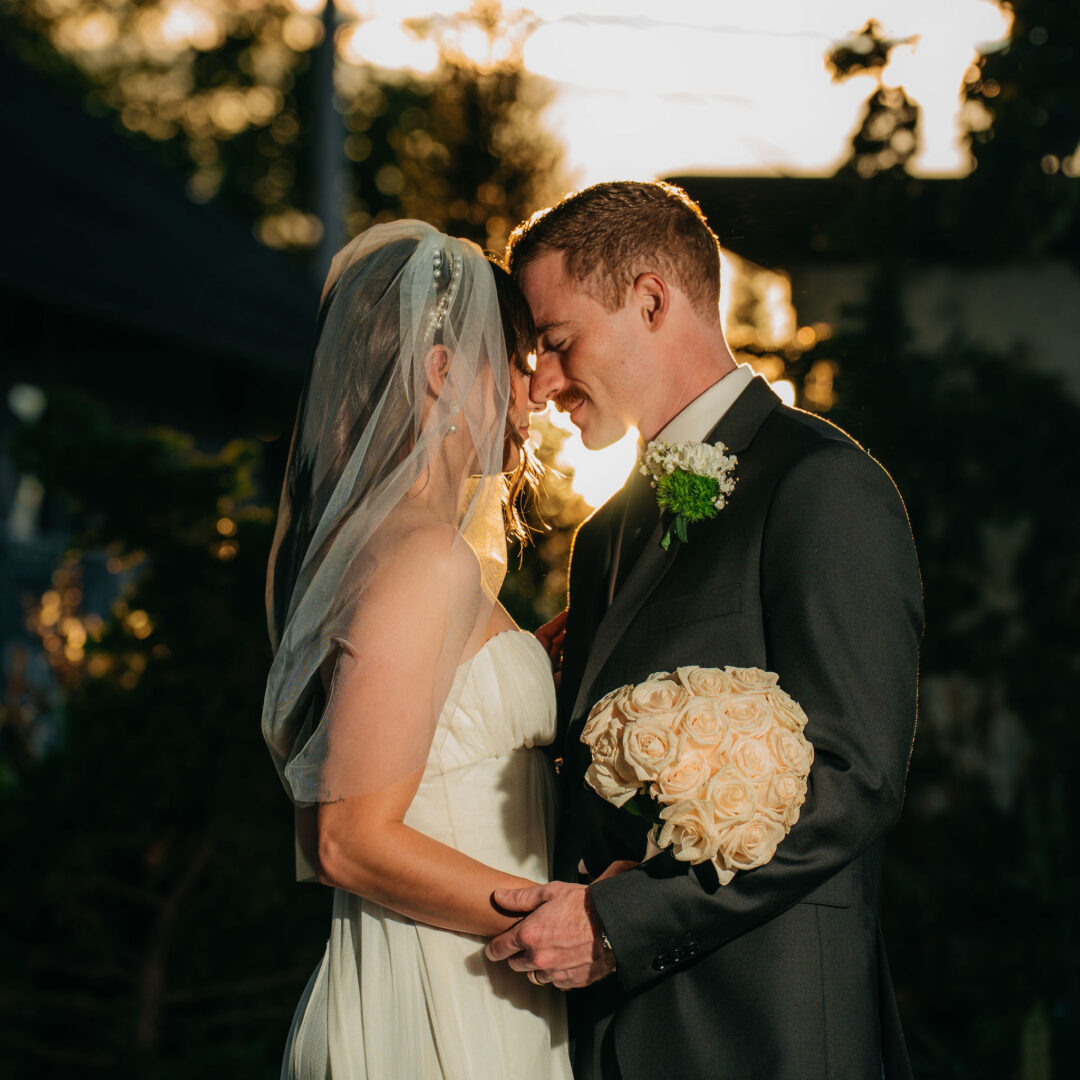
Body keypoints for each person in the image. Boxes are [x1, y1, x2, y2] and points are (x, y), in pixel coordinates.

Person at [485, 181, 923, 1080]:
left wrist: (620, 923)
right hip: (611, 1036)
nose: (541, 383)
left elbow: (853, 777)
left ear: (651, 300)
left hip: (767, 1032)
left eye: (558, 342)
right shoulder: (606, 534)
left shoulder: (821, 487)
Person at [261, 221, 573, 1080]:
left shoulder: (397, 548)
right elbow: (346, 840)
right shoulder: (421, 560)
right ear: (443, 373)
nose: (535, 393)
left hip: (469, 976)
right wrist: (556, 921)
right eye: (512, 363)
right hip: (446, 997)